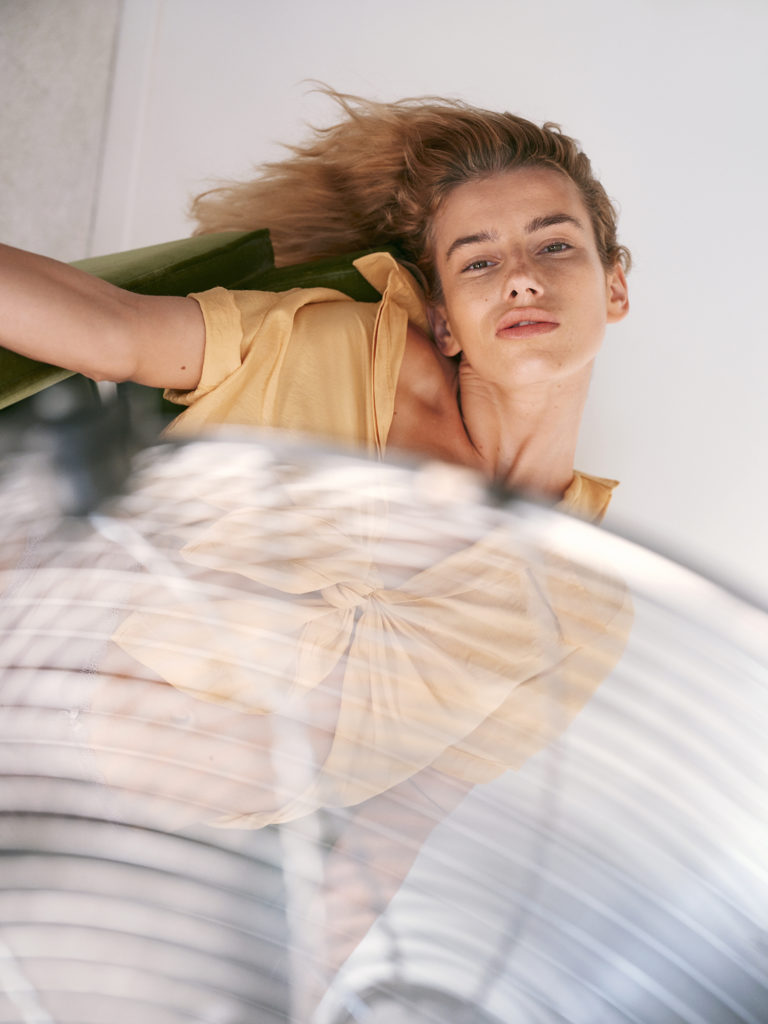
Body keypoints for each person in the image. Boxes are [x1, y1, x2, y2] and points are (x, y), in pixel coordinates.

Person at [0, 89, 629, 518]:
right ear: (444, 323)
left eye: (554, 246)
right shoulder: (333, 347)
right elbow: (115, 333)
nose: (521, 280)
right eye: (478, 262)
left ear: (614, 288)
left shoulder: (589, 597)